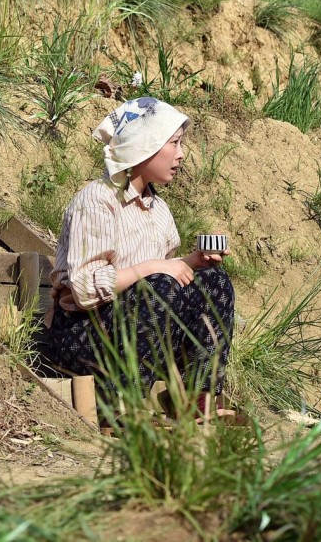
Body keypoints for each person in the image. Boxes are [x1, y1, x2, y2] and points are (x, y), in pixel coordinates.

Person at [38, 97, 235, 421]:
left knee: (214, 282)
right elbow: (85, 290)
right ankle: (122, 409)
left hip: (137, 334)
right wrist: (156, 268)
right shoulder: (96, 201)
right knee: (157, 284)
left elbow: (166, 284)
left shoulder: (159, 210)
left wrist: (192, 263)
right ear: (144, 147)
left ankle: (196, 399)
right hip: (83, 335)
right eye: (174, 143)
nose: (181, 154)